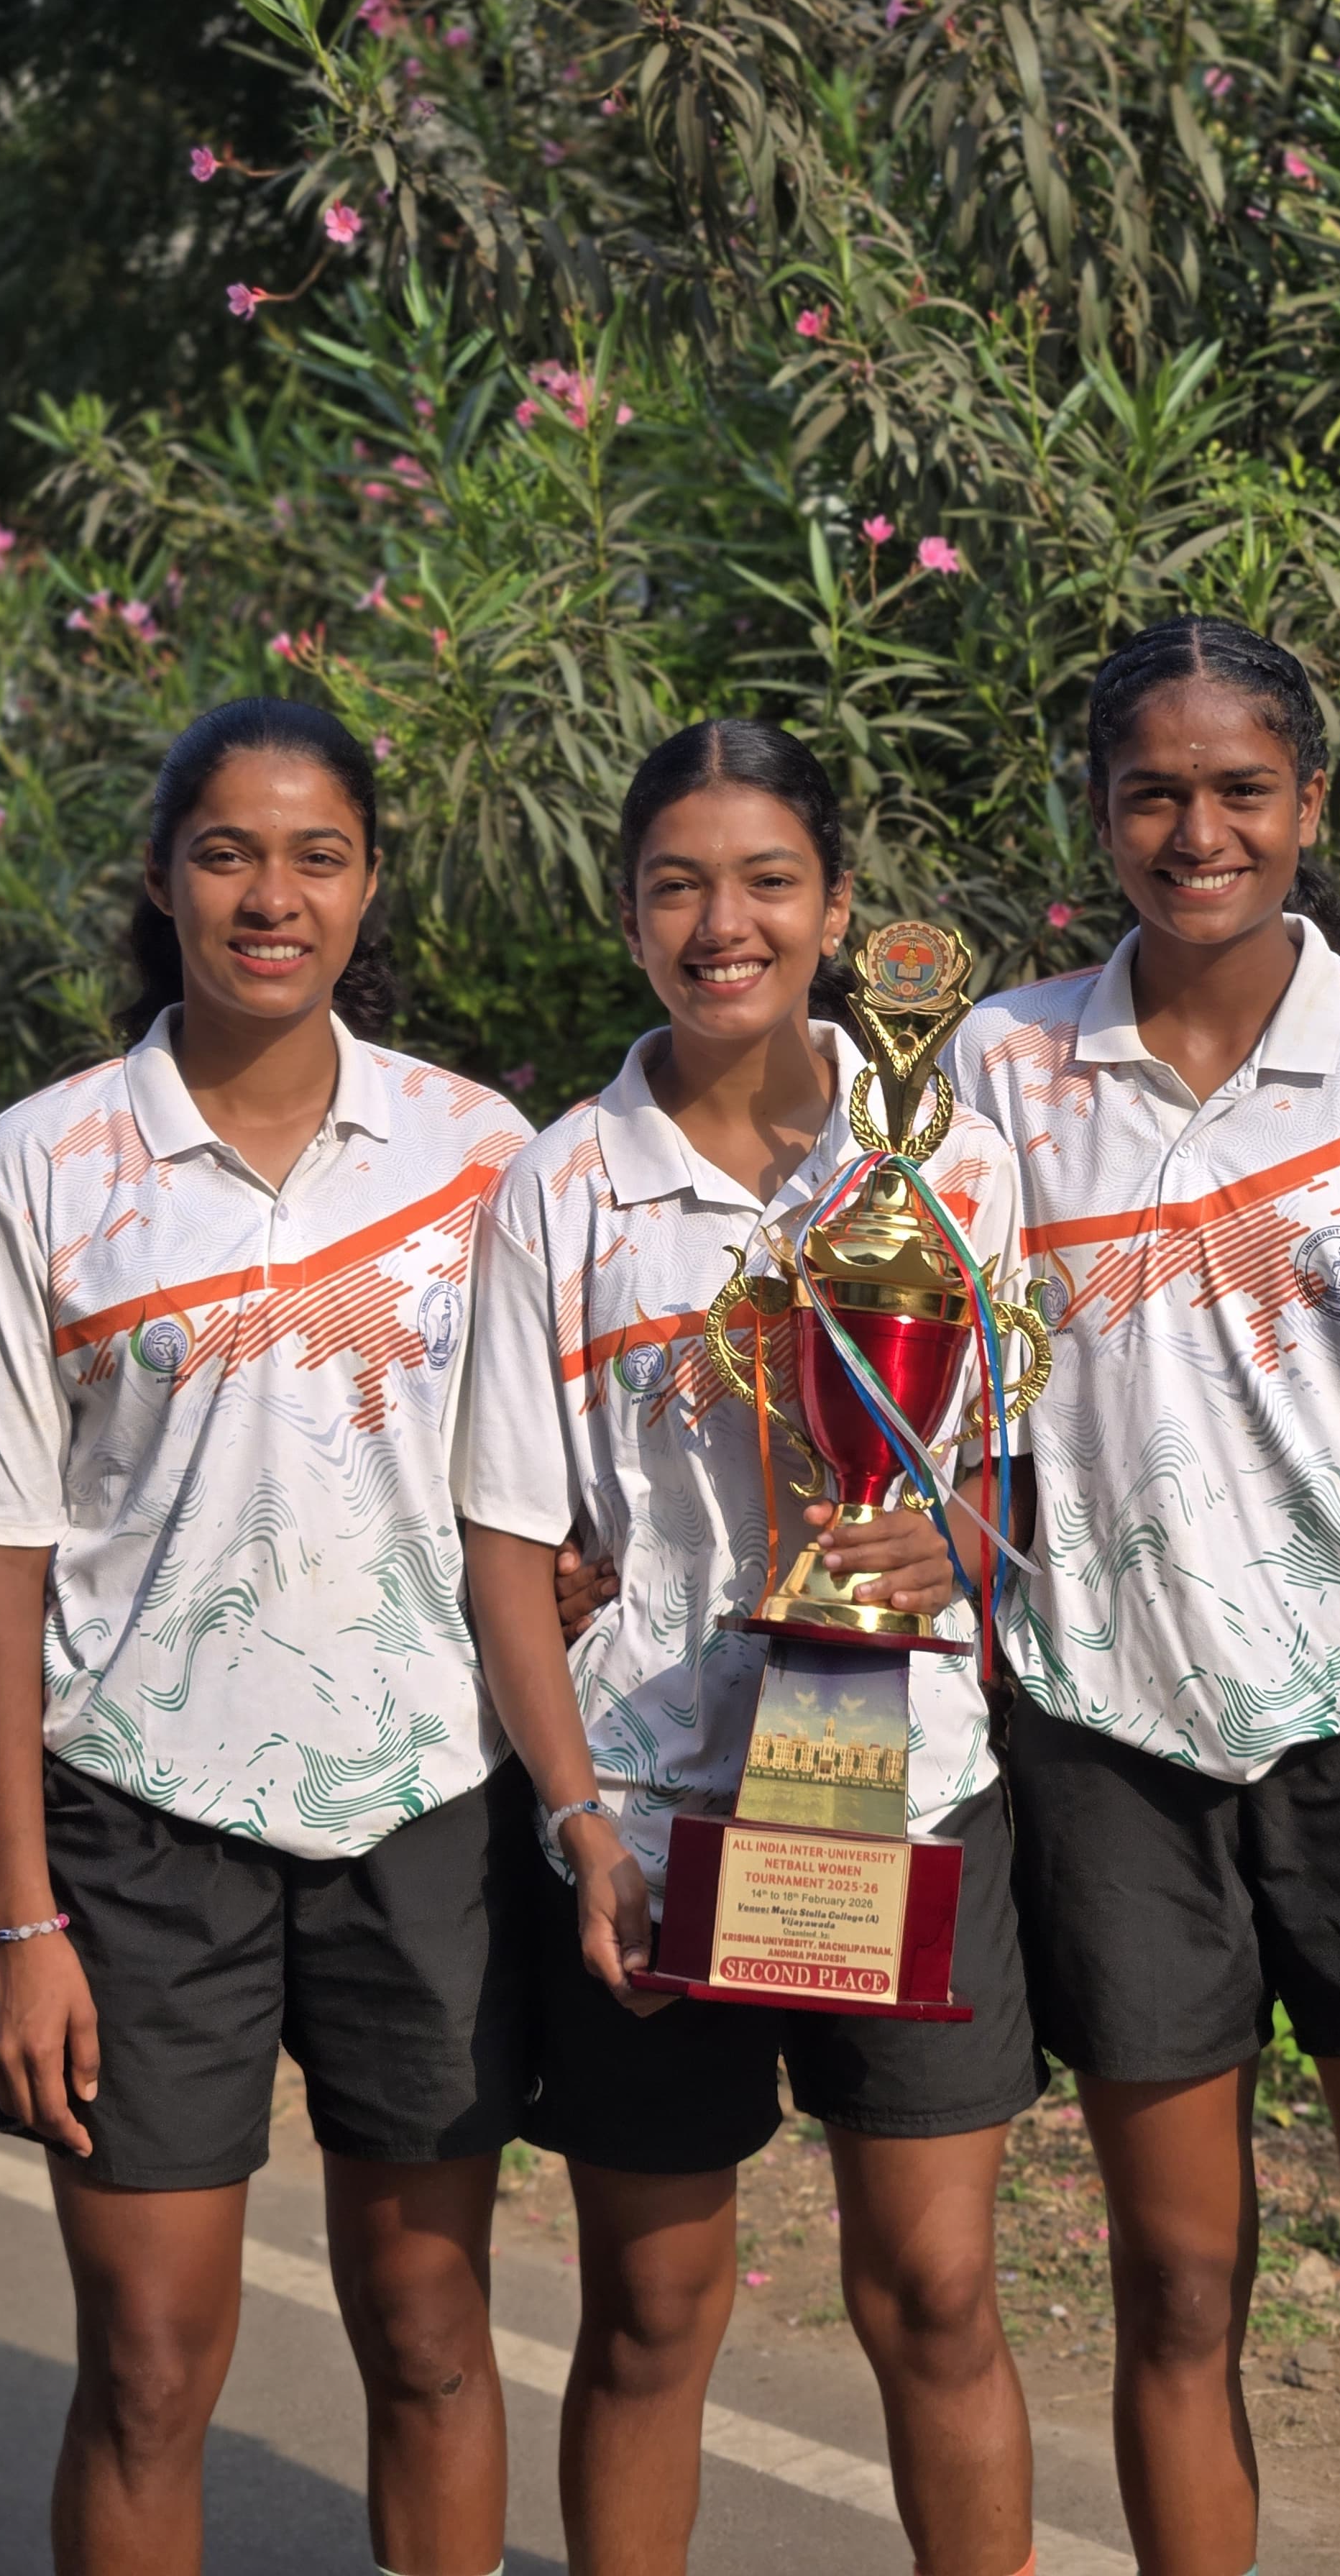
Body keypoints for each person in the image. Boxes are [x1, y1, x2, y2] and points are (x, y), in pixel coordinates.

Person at [0, 695, 590, 2576]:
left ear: (370, 884)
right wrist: (20, 1913)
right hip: (137, 1828)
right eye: (227, 852)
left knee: (434, 2338)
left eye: (316, 855)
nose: (269, 896)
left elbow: (536, 1496)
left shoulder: (482, 1154)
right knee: (145, 2362)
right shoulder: (40, 1167)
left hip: (426, 1811)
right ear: (162, 877)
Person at [947, 613, 1340, 2576]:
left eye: (1237, 790)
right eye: (1150, 793)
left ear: (1307, 804)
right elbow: (939, 1413)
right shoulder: (998, 1069)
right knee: (1177, 2301)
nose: (1194, 831)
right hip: (1111, 1735)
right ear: (1093, 811)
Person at [455, 718, 1045, 2576]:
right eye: (678, 885)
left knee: (937, 2296)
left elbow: (1023, 1482)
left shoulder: (949, 1152)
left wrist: (955, 1542)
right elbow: (503, 1535)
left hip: (906, 1788)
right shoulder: (560, 1185)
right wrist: (579, 1830)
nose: (725, 923)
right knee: (651, 2314)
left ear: (838, 907)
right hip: (649, 1805)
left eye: (768, 881)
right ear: (626, 913)